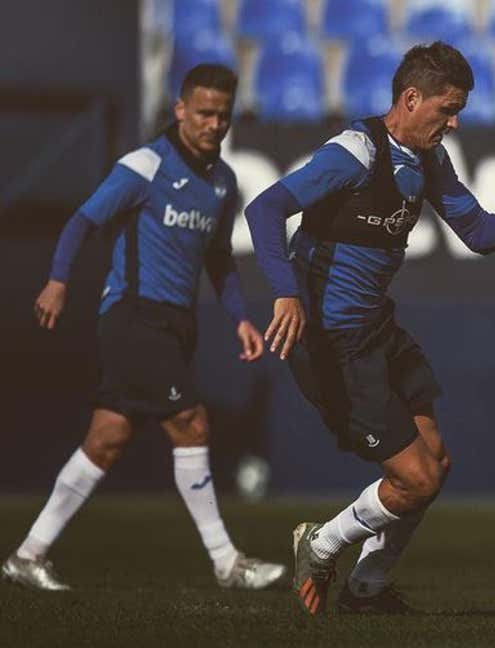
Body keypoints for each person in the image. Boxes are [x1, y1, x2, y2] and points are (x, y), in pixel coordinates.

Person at [244, 41, 495, 616]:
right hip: (334, 344)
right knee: (417, 480)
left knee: (436, 464)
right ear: (410, 97)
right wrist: (284, 293)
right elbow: (264, 209)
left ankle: (368, 589)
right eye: (446, 110)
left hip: (378, 329)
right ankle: (318, 544)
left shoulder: (428, 160)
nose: (453, 123)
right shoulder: (353, 153)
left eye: (459, 113)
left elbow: (479, 232)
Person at [5, 64, 285, 591]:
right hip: (133, 315)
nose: (212, 124)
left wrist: (240, 319)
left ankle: (28, 554)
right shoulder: (146, 165)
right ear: (180, 109)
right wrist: (58, 280)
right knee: (191, 423)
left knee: (107, 438)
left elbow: (219, 258)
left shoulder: (222, 182)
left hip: (177, 322)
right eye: (203, 113)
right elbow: (83, 220)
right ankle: (227, 562)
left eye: (222, 116)